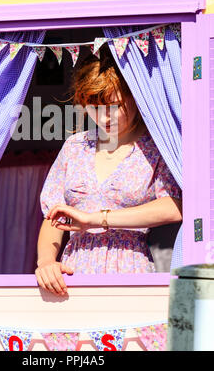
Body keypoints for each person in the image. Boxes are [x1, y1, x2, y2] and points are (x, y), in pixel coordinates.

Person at [35, 45, 182, 297]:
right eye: (94, 107)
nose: (104, 118)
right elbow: (53, 216)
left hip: (129, 270)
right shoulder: (74, 147)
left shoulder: (157, 148)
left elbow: (174, 207)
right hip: (72, 274)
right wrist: (46, 262)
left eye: (113, 106)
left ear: (134, 97)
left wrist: (96, 219)